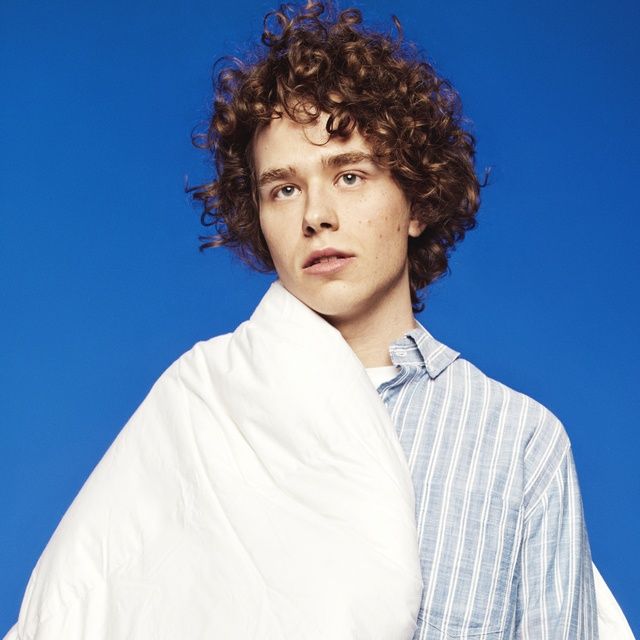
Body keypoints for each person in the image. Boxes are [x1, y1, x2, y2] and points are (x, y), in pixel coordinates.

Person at [4, 2, 634, 639]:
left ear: (416, 203)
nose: (316, 215)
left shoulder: (513, 441)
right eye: (284, 189)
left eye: (350, 175)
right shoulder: (204, 405)